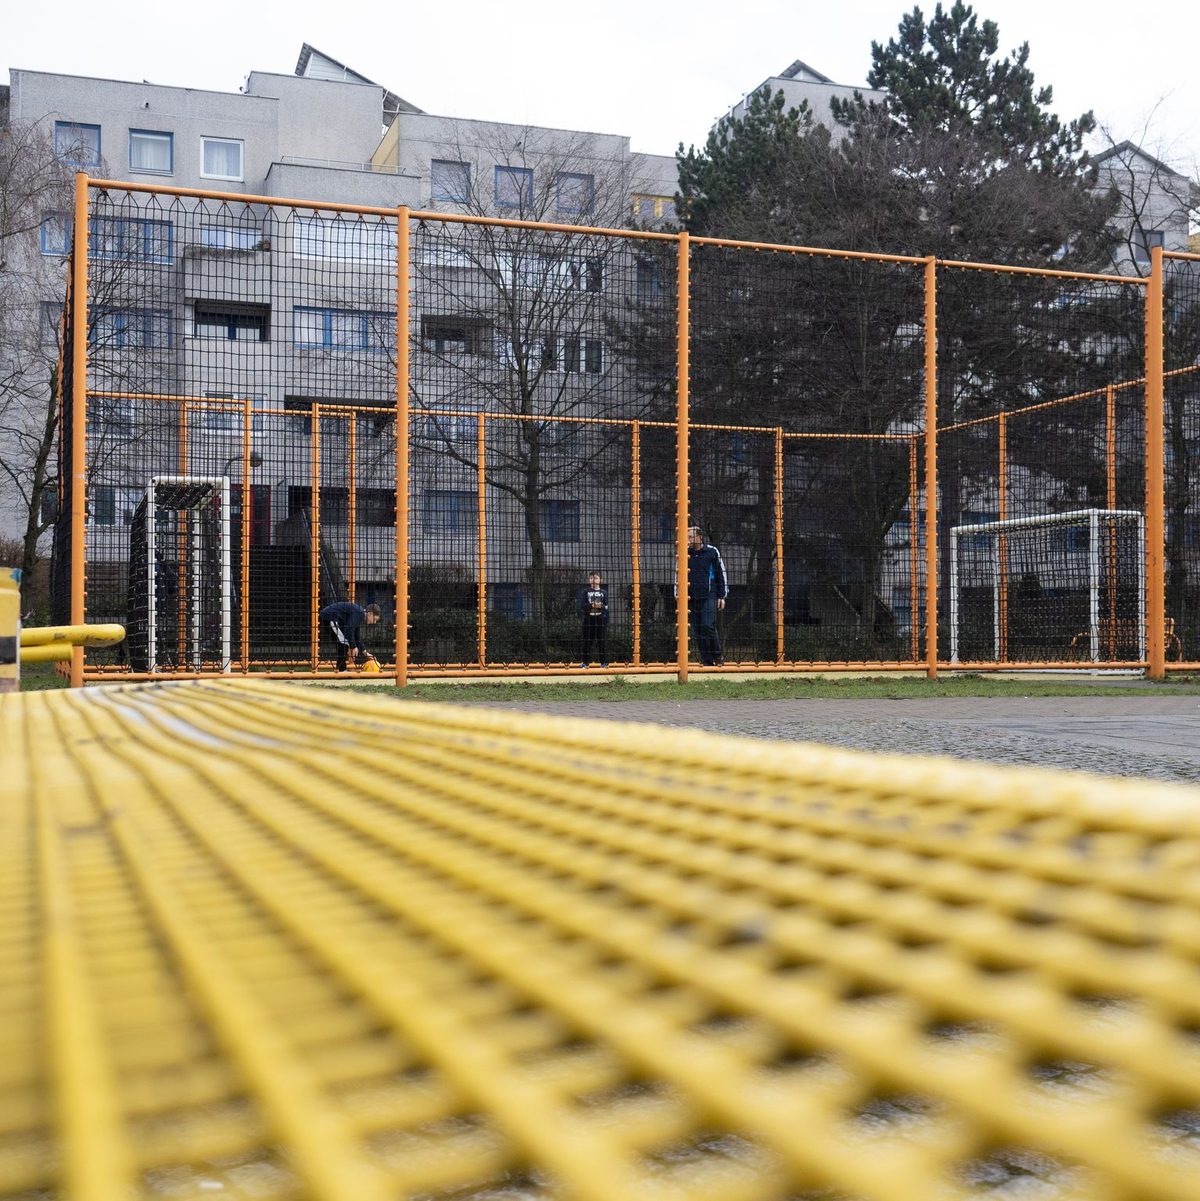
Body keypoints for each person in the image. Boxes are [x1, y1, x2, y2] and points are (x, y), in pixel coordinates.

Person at [682, 525, 727, 666]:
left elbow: (721, 573)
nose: (688, 540)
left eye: (690, 537)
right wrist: (678, 595)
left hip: (709, 594)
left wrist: (722, 596)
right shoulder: (685, 553)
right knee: (698, 630)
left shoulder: (712, 552)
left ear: (699, 537)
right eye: (687, 537)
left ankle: (718, 656)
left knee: (708, 625)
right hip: (690, 596)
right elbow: (678, 574)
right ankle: (707, 662)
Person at [319, 600, 380, 671]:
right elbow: (349, 630)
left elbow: (356, 635)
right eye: (374, 619)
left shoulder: (360, 615)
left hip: (331, 617)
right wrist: (353, 646)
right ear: (370, 614)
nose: (374, 622)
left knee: (343, 642)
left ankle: (341, 668)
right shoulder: (360, 614)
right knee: (343, 641)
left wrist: (365, 653)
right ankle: (341, 669)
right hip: (330, 617)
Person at [577, 570, 609, 668]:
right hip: (588, 619)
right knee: (587, 641)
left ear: (600, 580)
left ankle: (603, 663)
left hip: (600, 619)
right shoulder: (585, 592)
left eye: (595, 578)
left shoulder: (603, 592)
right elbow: (582, 605)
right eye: (591, 578)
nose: (593, 580)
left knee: (601, 641)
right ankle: (585, 662)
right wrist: (592, 605)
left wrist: (600, 606)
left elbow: (607, 607)